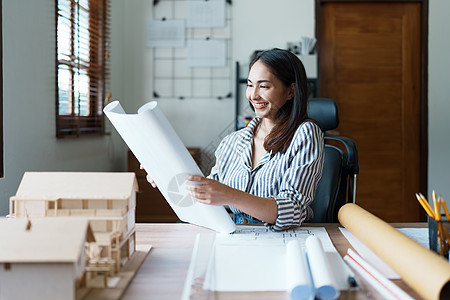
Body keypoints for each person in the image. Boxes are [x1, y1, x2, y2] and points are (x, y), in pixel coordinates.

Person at [146, 48, 324, 231]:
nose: (253, 95)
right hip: (234, 235)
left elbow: (292, 210)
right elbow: (208, 198)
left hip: (279, 241)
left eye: (264, 86)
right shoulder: (232, 141)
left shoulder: (305, 134)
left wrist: (229, 195)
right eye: (249, 85)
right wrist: (166, 176)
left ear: (290, 91)